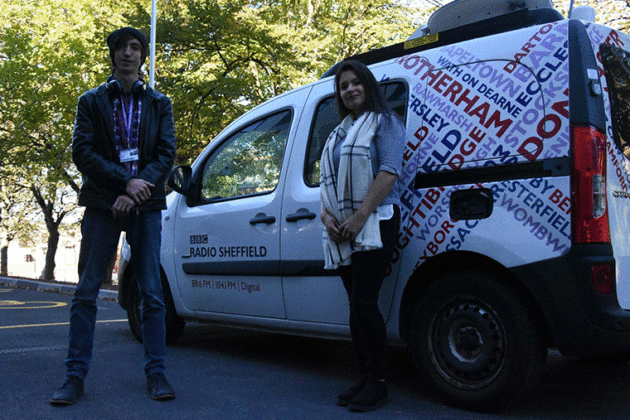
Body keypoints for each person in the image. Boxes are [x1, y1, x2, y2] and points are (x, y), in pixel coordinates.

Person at [50, 27, 177, 405]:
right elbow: (82, 152)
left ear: (143, 56)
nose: (127, 53)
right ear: (112, 55)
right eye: (121, 47)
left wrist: (138, 190)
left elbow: (165, 154)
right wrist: (126, 183)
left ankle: (157, 374)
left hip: (146, 207)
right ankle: (74, 377)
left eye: (135, 47)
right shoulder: (91, 101)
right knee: (86, 292)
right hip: (103, 205)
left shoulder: (159, 103)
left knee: (152, 293)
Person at [320, 60, 405, 412]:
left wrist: (359, 217)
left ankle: (380, 383)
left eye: (357, 83)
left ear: (369, 86)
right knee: (355, 306)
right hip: (341, 228)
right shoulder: (338, 133)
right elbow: (327, 184)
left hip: (376, 221)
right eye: (344, 86)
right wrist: (327, 217)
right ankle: (365, 376)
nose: (351, 89)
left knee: (365, 303)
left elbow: (388, 173)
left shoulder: (386, 123)